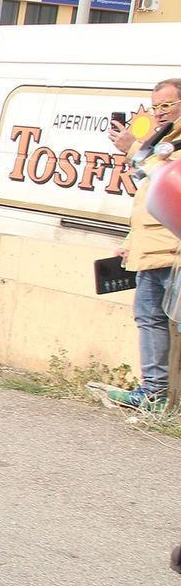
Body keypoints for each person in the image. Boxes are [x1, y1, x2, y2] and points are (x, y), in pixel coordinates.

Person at [103, 78, 181, 411]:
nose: (160, 113)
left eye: (167, 105)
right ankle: (153, 392)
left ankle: (154, 393)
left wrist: (133, 148)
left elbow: (168, 179)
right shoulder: (163, 137)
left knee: (155, 318)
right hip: (152, 244)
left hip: (171, 247)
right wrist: (131, 241)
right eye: (155, 106)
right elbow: (150, 196)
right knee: (149, 316)